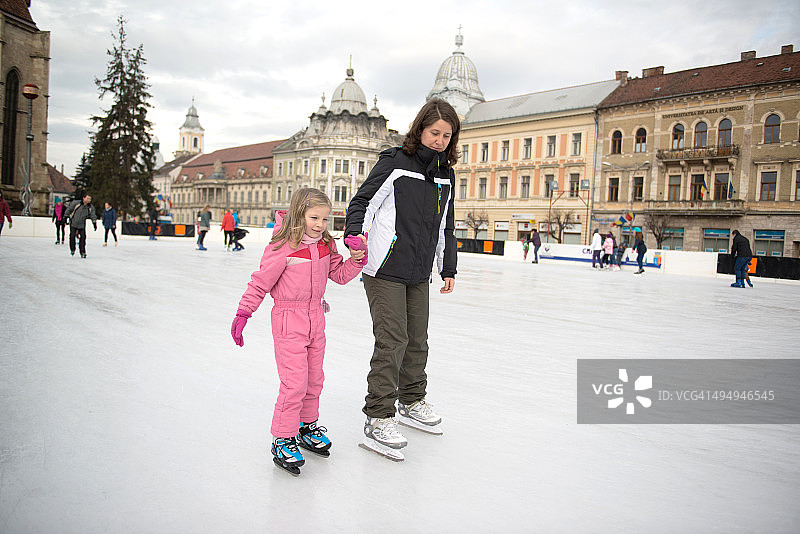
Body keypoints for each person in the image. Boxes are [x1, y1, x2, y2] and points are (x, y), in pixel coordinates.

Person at [345, 98, 458, 458]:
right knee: (392, 339)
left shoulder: (446, 174)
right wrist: (356, 238)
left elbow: (445, 224)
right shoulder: (395, 162)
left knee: (417, 339)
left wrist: (448, 267)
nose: (439, 140)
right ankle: (378, 416)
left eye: (446, 135)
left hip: (419, 270)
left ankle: (411, 400)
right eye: (434, 132)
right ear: (420, 129)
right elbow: (362, 203)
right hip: (384, 267)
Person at [229, 188, 366, 475]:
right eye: (314, 217)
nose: (320, 224)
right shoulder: (282, 246)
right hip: (288, 318)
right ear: (298, 214)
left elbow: (339, 276)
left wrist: (356, 260)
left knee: (315, 380)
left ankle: (306, 426)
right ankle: (282, 438)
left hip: (316, 317)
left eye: (326, 219)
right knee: (294, 383)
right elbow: (260, 283)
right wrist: (244, 313)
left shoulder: (326, 245)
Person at [66, 193, 97, 258]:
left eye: (90, 199)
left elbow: (93, 215)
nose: (89, 200)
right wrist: (65, 217)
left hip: (82, 225)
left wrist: (94, 223)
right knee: (72, 236)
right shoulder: (76, 204)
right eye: (87, 198)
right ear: (83, 198)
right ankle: (72, 249)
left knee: (83, 238)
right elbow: (69, 210)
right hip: (73, 223)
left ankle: (82, 252)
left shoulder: (90, 207)